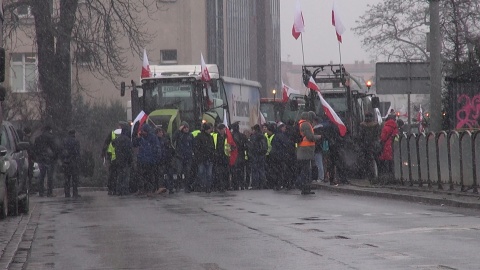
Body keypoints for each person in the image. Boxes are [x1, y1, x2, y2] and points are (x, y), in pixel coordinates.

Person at [296, 112, 322, 195]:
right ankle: (305, 188)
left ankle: (305, 187)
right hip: (306, 150)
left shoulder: (300, 124)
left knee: (305, 170)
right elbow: (310, 137)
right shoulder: (306, 124)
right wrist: (319, 137)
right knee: (306, 171)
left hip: (303, 150)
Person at [132, 124, 162, 196]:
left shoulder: (153, 138)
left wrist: (156, 159)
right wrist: (138, 137)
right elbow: (134, 144)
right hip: (142, 160)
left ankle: (150, 190)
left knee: (149, 176)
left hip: (150, 160)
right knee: (141, 176)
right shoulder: (141, 138)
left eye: (143, 131)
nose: (142, 132)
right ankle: (141, 189)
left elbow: (157, 149)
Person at [101, 121, 127, 195]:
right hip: (121, 157)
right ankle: (118, 189)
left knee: (112, 174)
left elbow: (106, 143)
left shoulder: (112, 133)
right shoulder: (125, 134)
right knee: (120, 174)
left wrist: (103, 153)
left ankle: (111, 189)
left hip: (112, 156)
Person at [33, 125, 59, 197]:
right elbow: (55, 148)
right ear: (50, 130)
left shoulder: (38, 138)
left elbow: (35, 149)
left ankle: (41, 192)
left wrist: (37, 157)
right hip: (49, 159)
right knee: (50, 176)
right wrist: (55, 157)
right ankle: (49, 192)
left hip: (40, 159)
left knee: (41, 176)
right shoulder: (51, 137)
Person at [172, 121, 194, 192]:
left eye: (187, 127)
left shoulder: (190, 135)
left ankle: (186, 187)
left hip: (188, 156)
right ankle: (178, 186)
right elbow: (173, 138)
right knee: (179, 171)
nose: (186, 129)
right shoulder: (179, 134)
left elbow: (193, 144)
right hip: (180, 156)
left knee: (187, 172)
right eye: (184, 127)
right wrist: (178, 130)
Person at [269, 122, 292, 190]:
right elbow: (287, 144)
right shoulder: (282, 135)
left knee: (277, 171)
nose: (285, 128)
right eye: (284, 127)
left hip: (275, 155)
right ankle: (284, 184)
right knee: (282, 170)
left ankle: (277, 184)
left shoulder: (275, 135)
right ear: (281, 128)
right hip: (280, 156)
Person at [112, 123, 133, 196]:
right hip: (126, 160)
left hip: (119, 160)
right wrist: (130, 160)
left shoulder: (118, 139)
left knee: (119, 176)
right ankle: (125, 190)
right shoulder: (127, 140)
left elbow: (113, 143)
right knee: (126, 176)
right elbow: (130, 151)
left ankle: (119, 190)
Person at [359, 112, 381, 181]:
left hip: (365, 145)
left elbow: (360, 136)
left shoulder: (362, 125)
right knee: (375, 160)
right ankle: (376, 175)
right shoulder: (376, 125)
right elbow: (378, 135)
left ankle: (368, 175)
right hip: (374, 145)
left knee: (367, 161)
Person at [194, 123, 215, 193]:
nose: (210, 130)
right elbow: (197, 148)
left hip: (207, 158)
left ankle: (206, 187)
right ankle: (204, 186)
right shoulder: (200, 137)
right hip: (203, 158)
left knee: (207, 174)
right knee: (203, 173)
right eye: (209, 129)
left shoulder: (209, 137)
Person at [155, 126, 175, 194]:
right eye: (159, 132)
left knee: (169, 174)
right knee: (161, 175)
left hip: (167, 160)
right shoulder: (156, 141)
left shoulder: (165, 140)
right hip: (162, 161)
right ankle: (162, 187)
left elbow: (170, 149)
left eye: (161, 132)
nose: (161, 133)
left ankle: (170, 188)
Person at [61, 129, 81, 198]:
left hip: (66, 162)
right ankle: (75, 193)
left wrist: (63, 160)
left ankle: (67, 193)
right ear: (74, 134)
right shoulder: (76, 141)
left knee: (67, 178)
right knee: (74, 178)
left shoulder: (64, 141)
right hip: (73, 162)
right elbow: (77, 152)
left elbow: (62, 152)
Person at [247, 124, 267, 190]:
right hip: (262, 155)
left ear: (254, 130)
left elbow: (251, 147)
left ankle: (255, 184)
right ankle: (262, 184)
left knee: (255, 170)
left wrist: (251, 154)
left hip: (255, 155)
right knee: (261, 170)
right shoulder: (263, 136)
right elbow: (265, 147)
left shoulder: (253, 137)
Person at [379, 114, 399, 180]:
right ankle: (393, 176)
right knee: (392, 163)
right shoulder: (396, 128)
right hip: (393, 147)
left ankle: (386, 177)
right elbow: (397, 138)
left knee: (386, 162)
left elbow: (383, 138)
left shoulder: (385, 127)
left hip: (387, 147)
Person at [230, 122, 247, 190]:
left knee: (235, 171)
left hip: (235, 155)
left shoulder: (231, 136)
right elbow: (246, 145)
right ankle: (242, 184)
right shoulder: (242, 136)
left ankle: (235, 185)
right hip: (241, 155)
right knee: (241, 171)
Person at [212, 123, 229, 192]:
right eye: (222, 129)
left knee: (224, 172)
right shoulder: (215, 136)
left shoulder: (227, 137)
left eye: (224, 129)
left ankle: (224, 186)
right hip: (218, 157)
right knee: (218, 173)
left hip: (225, 157)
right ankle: (219, 186)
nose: (223, 131)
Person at [312, 116, 325, 182]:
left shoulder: (316, 130)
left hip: (317, 149)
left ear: (315, 122)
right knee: (318, 163)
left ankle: (320, 177)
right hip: (319, 148)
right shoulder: (321, 129)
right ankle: (320, 177)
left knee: (318, 164)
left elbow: (316, 139)